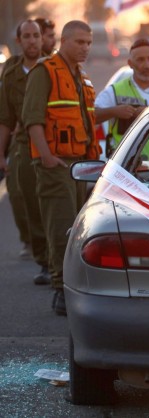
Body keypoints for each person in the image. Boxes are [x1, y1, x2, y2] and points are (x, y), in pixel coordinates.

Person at [22, 20, 101, 315]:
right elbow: (32, 119)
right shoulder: (45, 72)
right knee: (61, 229)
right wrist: (46, 157)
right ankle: (60, 290)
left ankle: (73, 287)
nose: (85, 48)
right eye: (80, 42)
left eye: (89, 43)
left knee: (78, 230)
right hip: (56, 165)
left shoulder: (80, 76)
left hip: (79, 165)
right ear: (64, 41)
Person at [0, 19, 50, 284]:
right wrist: (1, 154)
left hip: (51, 142)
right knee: (27, 200)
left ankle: (57, 259)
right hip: (21, 144)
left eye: (36, 35)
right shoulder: (11, 74)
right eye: (27, 36)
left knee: (51, 204)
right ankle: (43, 260)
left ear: (43, 39)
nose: (32, 41)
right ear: (19, 41)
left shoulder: (54, 69)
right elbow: (5, 118)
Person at [95, 38, 149, 159]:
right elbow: (92, 116)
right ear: (130, 63)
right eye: (140, 60)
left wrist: (148, 112)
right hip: (126, 169)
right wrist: (115, 111)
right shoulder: (115, 91)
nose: (147, 65)